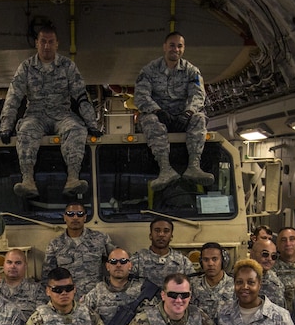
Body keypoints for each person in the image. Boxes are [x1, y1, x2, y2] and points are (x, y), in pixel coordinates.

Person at [0, 24, 101, 198]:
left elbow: (81, 95)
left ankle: (73, 179)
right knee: (25, 131)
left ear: (56, 44)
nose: (47, 46)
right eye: (43, 42)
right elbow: (14, 96)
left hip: (62, 114)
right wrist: (6, 127)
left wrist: (92, 124)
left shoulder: (67, 66)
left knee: (76, 129)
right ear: (37, 44)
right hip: (35, 115)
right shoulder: (26, 67)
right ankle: (28, 181)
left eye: (50, 42)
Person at [134, 31, 214, 188]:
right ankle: (165, 170)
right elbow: (141, 97)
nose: (175, 49)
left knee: (199, 118)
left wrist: (188, 113)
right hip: (158, 116)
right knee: (149, 120)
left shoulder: (192, 71)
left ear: (183, 49)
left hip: (182, 117)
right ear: (164, 47)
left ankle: (194, 167)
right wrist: (157, 111)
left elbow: (198, 96)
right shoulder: (149, 70)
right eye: (172, 45)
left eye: (179, 46)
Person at [43, 201, 115, 300]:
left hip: (96, 298)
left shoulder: (101, 239)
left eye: (80, 214)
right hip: (67, 300)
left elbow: (117, 261)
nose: (75, 217)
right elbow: (47, 277)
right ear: (65, 217)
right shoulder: (55, 244)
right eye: (71, 214)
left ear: (85, 217)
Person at [83, 248, 150, 325]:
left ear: (130, 265)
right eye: (113, 261)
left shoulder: (142, 291)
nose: (118, 265)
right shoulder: (96, 293)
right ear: (107, 266)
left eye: (123, 261)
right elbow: (81, 319)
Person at [131, 218, 194, 288]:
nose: (161, 234)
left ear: (171, 237)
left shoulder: (183, 262)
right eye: (157, 231)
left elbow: (193, 286)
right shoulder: (137, 260)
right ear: (150, 235)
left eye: (166, 231)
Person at [0, 249, 46, 321]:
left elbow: (41, 318)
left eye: (18, 263)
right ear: (3, 265)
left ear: (25, 266)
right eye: (9, 262)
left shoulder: (37, 290)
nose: (13, 266)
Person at [191, 242, 232, 322]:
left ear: (223, 261)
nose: (210, 264)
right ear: (201, 262)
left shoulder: (235, 286)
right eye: (206, 260)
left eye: (214, 259)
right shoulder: (192, 285)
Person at [274, 228, 295, 311]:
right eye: (283, 240)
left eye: (292, 239)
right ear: (277, 246)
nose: (288, 243)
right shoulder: (271, 268)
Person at [251, 237, 286, 307]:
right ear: (252, 254)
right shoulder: (239, 278)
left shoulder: (277, 282)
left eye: (273, 256)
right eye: (265, 254)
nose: (269, 259)